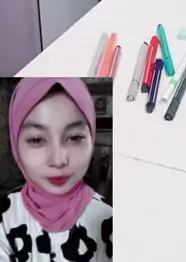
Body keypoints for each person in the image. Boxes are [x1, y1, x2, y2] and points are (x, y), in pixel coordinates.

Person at [0, 78, 112, 261]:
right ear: (15, 144)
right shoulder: (4, 218)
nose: (58, 160)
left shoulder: (109, 220)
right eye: (36, 140)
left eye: (75, 137)